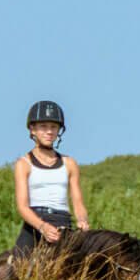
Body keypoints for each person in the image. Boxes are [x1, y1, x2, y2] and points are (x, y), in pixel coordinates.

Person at [13, 100, 88, 257]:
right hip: (35, 225)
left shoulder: (70, 163)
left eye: (53, 127)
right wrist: (42, 227)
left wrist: (82, 220)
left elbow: (78, 203)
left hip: (63, 224)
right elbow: (22, 206)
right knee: (16, 269)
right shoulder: (23, 164)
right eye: (43, 127)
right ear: (32, 129)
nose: (49, 132)